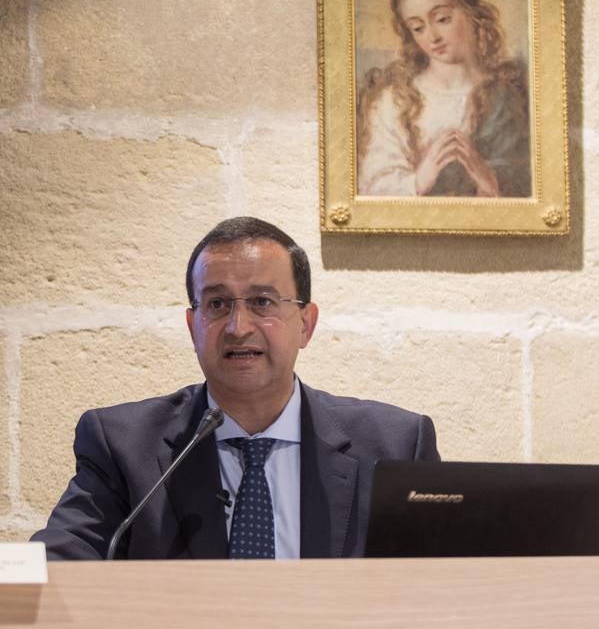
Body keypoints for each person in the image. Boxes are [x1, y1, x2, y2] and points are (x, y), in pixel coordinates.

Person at [31, 217, 439, 560]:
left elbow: (448, 584)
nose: (238, 327)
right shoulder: (122, 445)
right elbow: (60, 560)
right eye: (217, 304)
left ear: (306, 324)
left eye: (262, 302)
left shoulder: (395, 446)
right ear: (193, 327)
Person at [357, 0, 531, 198]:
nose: (432, 36)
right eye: (418, 27)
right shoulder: (395, 101)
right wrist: (421, 178)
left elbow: (527, 187)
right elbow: (373, 187)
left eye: (442, 19)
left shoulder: (506, 96)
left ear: (473, 15)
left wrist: (486, 178)